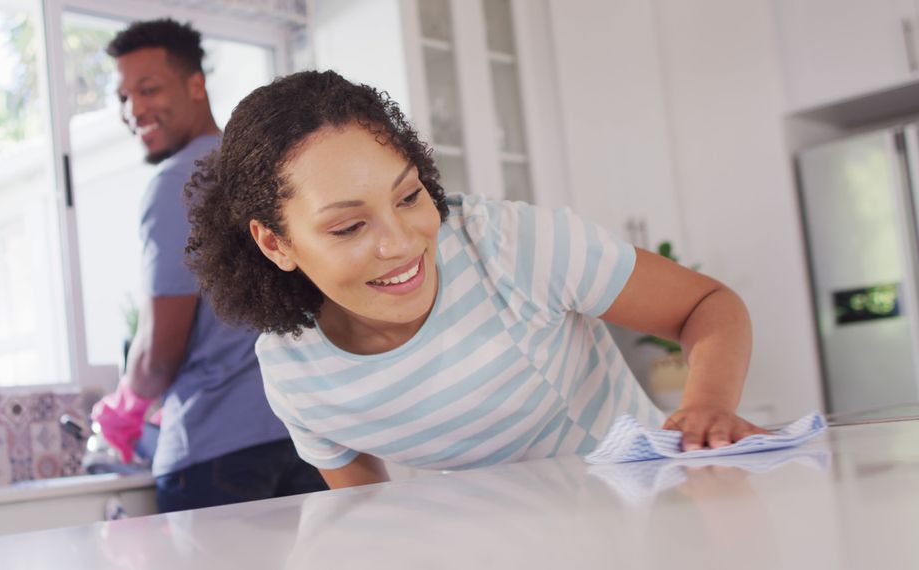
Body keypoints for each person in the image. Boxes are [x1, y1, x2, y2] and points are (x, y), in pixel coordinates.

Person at [185, 70, 769, 490]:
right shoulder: (297, 374)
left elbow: (709, 305)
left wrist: (707, 405)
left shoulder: (510, 246)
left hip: (653, 512)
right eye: (348, 227)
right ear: (275, 243)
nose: (401, 243)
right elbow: (367, 517)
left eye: (409, 196)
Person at [91, 19, 327, 512]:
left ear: (196, 84)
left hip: (217, 453)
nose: (134, 109)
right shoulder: (271, 170)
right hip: (307, 437)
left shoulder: (175, 183)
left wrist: (129, 403)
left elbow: (159, 352)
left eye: (148, 89)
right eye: (123, 97)